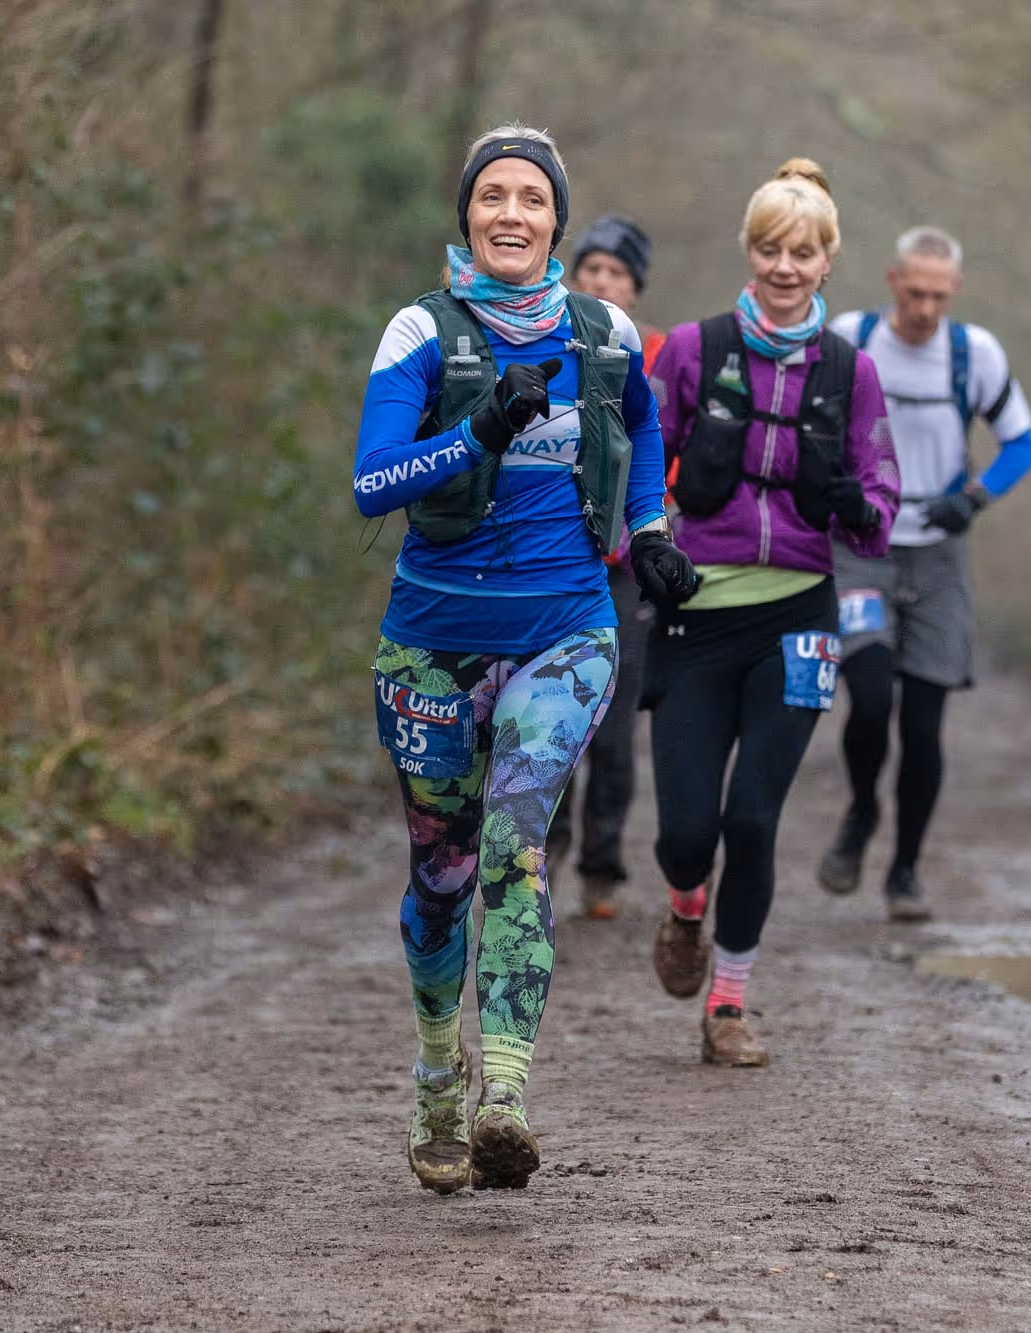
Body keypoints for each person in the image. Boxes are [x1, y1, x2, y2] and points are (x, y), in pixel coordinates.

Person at [352, 125, 698, 1193]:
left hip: (566, 630)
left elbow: (637, 442)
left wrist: (648, 535)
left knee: (511, 838)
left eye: (531, 199)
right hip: (433, 645)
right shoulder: (422, 329)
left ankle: (504, 1091)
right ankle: (436, 1087)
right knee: (442, 876)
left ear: (556, 219)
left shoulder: (602, 333)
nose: (511, 213)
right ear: (466, 214)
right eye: (491, 195)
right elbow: (372, 484)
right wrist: (478, 434)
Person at [643, 159, 899, 1066]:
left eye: (803, 252)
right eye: (769, 250)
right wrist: (650, 538)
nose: (784, 267)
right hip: (696, 614)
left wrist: (855, 503)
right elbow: (646, 459)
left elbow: (879, 510)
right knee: (684, 834)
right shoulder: (692, 350)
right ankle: (683, 908)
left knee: (752, 817)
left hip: (798, 617)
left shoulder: (851, 372)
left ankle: (729, 1006)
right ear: (747, 252)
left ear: (829, 261)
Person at [818, 225, 1031, 921]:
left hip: (939, 551)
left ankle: (905, 869)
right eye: (914, 292)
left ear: (955, 292)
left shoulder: (975, 355)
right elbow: (809, 421)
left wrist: (973, 498)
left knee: (924, 722)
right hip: (862, 544)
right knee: (871, 695)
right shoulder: (851, 337)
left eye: (938, 296)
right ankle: (860, 810)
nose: (924, 308)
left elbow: (1021, 444)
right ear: (892, 280)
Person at [545, 212, 666, 920]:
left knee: (617, 725)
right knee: (555, 715)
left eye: (615, 273)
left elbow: (668, 444)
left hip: (625, 563)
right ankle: (549, 846)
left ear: (635, 287)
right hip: (559, 558)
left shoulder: (654, 353)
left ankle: (603, 864)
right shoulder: (548, 343)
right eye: (589, 268)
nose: (599, 280)